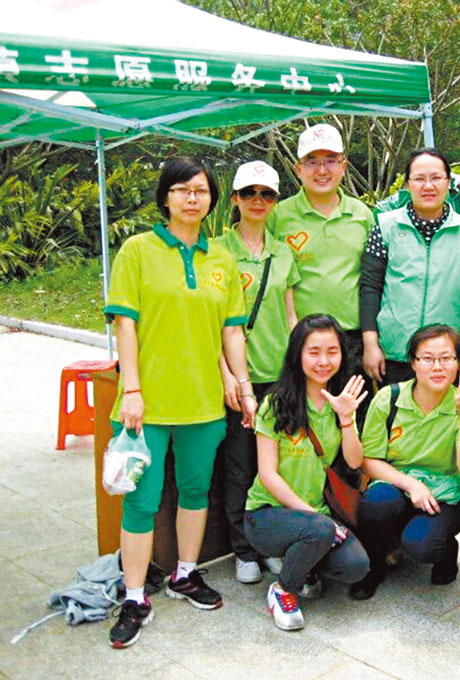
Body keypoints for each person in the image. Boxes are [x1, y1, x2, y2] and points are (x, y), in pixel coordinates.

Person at [104, 157, 254, 649]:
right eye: (183, 190)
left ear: (212, 200)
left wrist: (243, 385)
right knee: (141, 501)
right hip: (143, 408)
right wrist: (131, 389)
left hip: (204, 405)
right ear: (165, 197)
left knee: (195, 493)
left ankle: (185, 574)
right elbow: (125, 322)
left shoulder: (221, 261)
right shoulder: (138, 250)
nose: (193, 198)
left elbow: (231, 331)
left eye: (202, 190)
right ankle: (133, 597)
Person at [243, 314, 370, 631]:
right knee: (319, 530)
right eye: (314, 352)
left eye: (332, 351)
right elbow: (268, 475)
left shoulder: (342, 402)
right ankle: (283, 589)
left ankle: (305, 565)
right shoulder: (275, 404)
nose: (324, 361)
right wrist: (316, 517)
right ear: (297, 354)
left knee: (357, 566)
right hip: (267, 514)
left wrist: (346, 419)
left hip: (318, 516)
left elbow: (355, 462)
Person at [214, 161, 300, 585]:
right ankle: (243, 549)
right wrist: (228, 374)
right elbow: (209, 322)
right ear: (235, 199)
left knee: (279, 467)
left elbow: (289, 314)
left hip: (278, 377)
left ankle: (272, 545)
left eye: (267, 194)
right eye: (249, 193)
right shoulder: (216, 251)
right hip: (238, 377)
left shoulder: (283, 252)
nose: (258, 201)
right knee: (241, 467)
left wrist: (297, 374)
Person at [350, 325, 460, 600]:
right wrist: (412, 485)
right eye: (427, 358)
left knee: (422, 545)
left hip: (447, 494)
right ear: (413, 362)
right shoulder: (390, 399)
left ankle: (445, 550)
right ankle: (374, 567)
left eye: (447, 358)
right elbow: (369, 461)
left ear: (459, 363)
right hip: (398, 484)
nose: (437, 367)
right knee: (376, 503)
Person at [268, 123, 375, 412]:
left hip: (351, 341)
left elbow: (373, 281)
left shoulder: (362, 215)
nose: (322, 170)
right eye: (312, 162)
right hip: (300, 341)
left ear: (343, 166)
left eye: (330, 160)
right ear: (297, 168)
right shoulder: (278, 215)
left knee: (352, 422)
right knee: (300, 420)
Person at [360, 148, 460, 386]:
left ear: (449, 182)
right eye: (419, 179)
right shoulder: (385, 227)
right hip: (395, 354)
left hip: (448, 356)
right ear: (407, 184)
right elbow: (370, 289)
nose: (428, 186)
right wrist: (371, 345)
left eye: (436, 178)